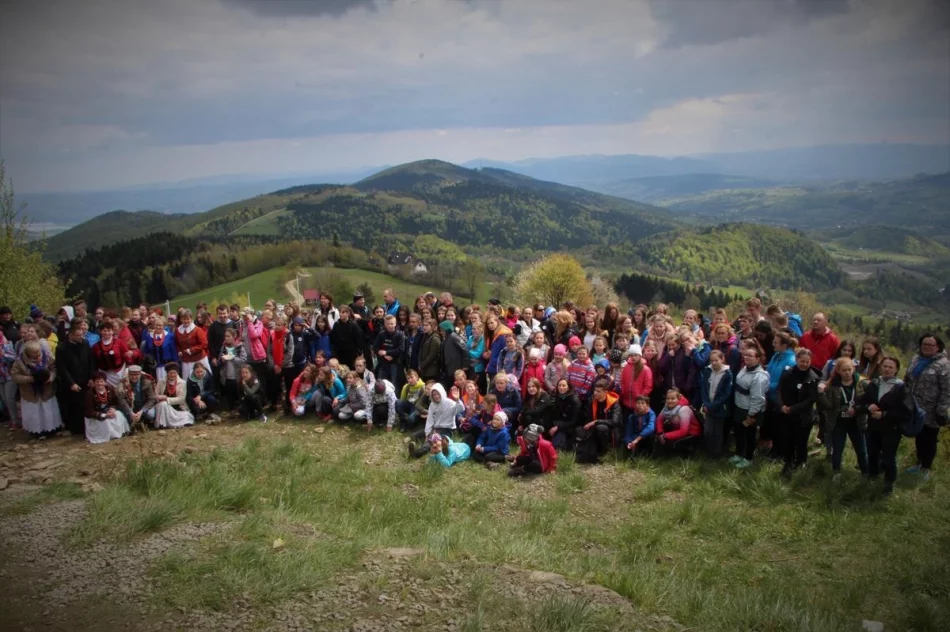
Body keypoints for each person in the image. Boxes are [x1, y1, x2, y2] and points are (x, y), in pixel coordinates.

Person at [858, 356, 912, 494]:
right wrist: (868, 406)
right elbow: (862, 402)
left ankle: (889, 483)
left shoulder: (901, 388)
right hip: (873, 427)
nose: (887, 369)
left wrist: (884, 414)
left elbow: (906, 412)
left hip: (891, 429)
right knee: (872, 453)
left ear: (896, 370)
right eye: (885, 366)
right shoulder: (874, 383)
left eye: (891, 367)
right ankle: (872, 477)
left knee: (889, 457)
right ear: (881, 367)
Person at [904, 334, 950, 481]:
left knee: (929, 438)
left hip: (932, 409)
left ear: (938, 347)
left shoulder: (943, 365)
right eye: (925, 344)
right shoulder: (916, 359)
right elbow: (908, 379)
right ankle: (919, 462)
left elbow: (947, 390)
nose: (927, 347)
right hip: (915, 406)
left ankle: (926, 467)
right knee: (919, 435)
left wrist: (941, 410)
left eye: (931, 345)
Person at [818, 357, 868, 481]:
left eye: (849, 370)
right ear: (838, 371)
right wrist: (821, 394)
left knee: (861, 449)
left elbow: (867, 401)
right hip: (839, 422)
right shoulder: (833, 385)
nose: (847, 373)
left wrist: (855, 409)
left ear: (854, 369)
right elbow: (828, 405)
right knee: (838, 448)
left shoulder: (862, 383)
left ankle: (866, 473)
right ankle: (836, 473)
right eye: (844, 370)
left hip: (856, 421)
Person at [776, 349, 820, 476]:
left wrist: (792, 409)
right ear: (796, 360)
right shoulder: (788, 373)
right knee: (788, 441)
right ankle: (788, 464)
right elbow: (779, 389)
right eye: (802, 361)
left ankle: (800, 464)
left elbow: (811, 399)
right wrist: (781, 406)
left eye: (807, 362)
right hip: (786, 414)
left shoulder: (813, 378)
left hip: (803, 417)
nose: (804, 364)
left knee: (801, 442)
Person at [11, 341, 63, 437]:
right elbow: (15, 376)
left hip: (46, 390)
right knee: (34, 413)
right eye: (34, 354)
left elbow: (54, 368)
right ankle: (36, 432)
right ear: (27, 353)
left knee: (48, 411)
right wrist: (29, 379)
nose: (37, 355)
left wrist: (50, 377)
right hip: (30, 392)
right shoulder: (19, 362)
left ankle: (52, 429)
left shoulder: (47, 357)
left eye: (38, 353)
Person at [56, 318, 97, 436]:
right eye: (78, 335)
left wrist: (91, 377)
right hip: (71, 382)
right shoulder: (62, 348)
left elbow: (91, 361)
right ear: (71, 335)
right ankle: (74, 428)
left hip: (85, 379)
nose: (81, 337)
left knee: (85, 404)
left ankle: (85, 428)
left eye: (82, 335)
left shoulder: (85, 343)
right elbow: (62, 368)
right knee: (73, 406)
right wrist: (71, 383)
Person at [732, 343, 770, 468]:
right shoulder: (745, 369)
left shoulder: (759, 376)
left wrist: (751, 413)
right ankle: (738, 453)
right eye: (745, 355)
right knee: (739, 432)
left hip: (750, 410)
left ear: (758, 359)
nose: (747, 357)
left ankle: (748, 458)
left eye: (750, 356)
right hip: (739, 406)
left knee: (749, 435)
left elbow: (758, 397)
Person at [575, 378, 622, 464]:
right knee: (579, 430)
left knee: (601, 428)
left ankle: (605, 450)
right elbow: (588, 420)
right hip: (594, 429)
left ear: (606, 392)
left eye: (599, 391)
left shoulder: (614, 403)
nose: (595, 393)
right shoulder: (592, 401)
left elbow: (615, 422)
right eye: (595, 390)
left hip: (610, 432)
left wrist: (596, 421)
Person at [408, 383, 461, 458]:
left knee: (433, 440)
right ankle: (410, 440)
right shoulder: (432, 405)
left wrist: (457, 400)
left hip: (446, 430)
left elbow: (460, 409)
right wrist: (427, 433)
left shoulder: (450, 403)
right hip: (435, 427)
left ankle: (416, 453)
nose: (436, 396)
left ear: (441, 393)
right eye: (434, 394)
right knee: (420, 433)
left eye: (438, 394)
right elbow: (430, 420)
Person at [699, 350, 734, 459]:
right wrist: (706, 403)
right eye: (712, 360)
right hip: (707, 406)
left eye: (716, 360)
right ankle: (709, 450)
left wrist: (712, 406)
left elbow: (725, 394)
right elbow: (704, 388)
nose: (714, 363)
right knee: (708, 431)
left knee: (717, 431)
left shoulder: (727, 374)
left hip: (719, 407)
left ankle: (716, 453)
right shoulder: (707, 370)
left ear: (722, 360)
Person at [84, 371, 130, 443]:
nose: (99, 383)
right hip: (95, 417)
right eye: (97, 381)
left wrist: (112, 409)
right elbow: (89, 412)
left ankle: (119, 433)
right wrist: (104, 415)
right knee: (105, 422)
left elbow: (115, 402)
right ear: (94, 382)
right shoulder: (90, 393)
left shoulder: (110, 389)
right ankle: (109, 436)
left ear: (105, 382)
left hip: (108, 412)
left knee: (118, 414)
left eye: (101, 381)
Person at [153, 363, 196, 429]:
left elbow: (181, 399)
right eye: (170, 373)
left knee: (187, 416)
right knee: (163, 404)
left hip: (177, 407)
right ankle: (162, 424)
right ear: (167, 373)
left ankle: (173, 423)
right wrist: (159, 397)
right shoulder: (161, 382)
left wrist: (167, 399)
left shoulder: (182, 383)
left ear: (177, 373)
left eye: (174, 373)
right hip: (163, 407)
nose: (173, 375)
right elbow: (155, 395)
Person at [117, 365, 157, 430]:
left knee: (151, 415)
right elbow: (121, 400)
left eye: (136, 375)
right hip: (130, 406)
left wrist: (142, 411)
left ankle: (144, 421)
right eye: (132, 375)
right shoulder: (123, 384)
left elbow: (151, 399)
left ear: (140, 374)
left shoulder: (147, 382)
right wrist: (130, 412)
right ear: (129, 374)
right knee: (124, 416)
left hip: (143, 405)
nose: (134, 377)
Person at [329, 305, 368, 370]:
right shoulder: (336, 324)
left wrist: (360, 352)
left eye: (343, 312)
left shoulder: (353, 325)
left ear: (348, 313)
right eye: (340, 312)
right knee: (341, 370)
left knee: (351, 370)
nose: (341, 314)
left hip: (351, 353)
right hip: (340, 353)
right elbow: (333, 338)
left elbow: (359, 339)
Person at [374, 314, 405, 387]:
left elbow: (401, 349)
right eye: (388, 324)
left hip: (395, 363)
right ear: (385, 324)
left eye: (392, 323)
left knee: (394, 383)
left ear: (395, 324)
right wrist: (383, 354)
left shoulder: (400, 335)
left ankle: (395, 398)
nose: (390, 325)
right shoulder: (381, 335)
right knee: (380, 383)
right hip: (383, 362)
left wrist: (388, 353)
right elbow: (375, 347)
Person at [438, 320, 468, 390]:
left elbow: (464, 349)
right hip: (449, 368)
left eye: (442, 330)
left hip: (456, 367)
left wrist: (465, 365)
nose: (441, 332)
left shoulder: (454, 337)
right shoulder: (446, 338)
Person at [1, 328, 17, 428]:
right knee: (4, 399)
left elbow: (14, 358)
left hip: (9, 375)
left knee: (9, 398)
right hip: (0, 377)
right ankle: (12, 419)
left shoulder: (7, 345)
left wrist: (4, 354)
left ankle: (16, 420)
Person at [418, 319, 443, 384]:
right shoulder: (425, 336)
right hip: (425, 369)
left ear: (433, 327)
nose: (424, 327)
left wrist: (422, 365)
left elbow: (432, 355)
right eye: (423, 325)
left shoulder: (435, 338)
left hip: (432, 370)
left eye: (427, 325)